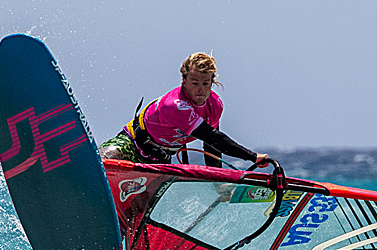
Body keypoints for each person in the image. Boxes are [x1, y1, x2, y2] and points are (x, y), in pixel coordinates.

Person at [98, 52, 268, 168]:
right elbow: (213, 137)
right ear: (184, 80)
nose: (200, 89)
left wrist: (218, 184)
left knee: (137, 210)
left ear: (212, 82)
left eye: (205, 83)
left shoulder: (215, 105)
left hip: (160, 159)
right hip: (132, 144)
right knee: (102, 162)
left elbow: (212, 146)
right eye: (194, 83)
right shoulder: (176, 105)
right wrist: (252, 156)